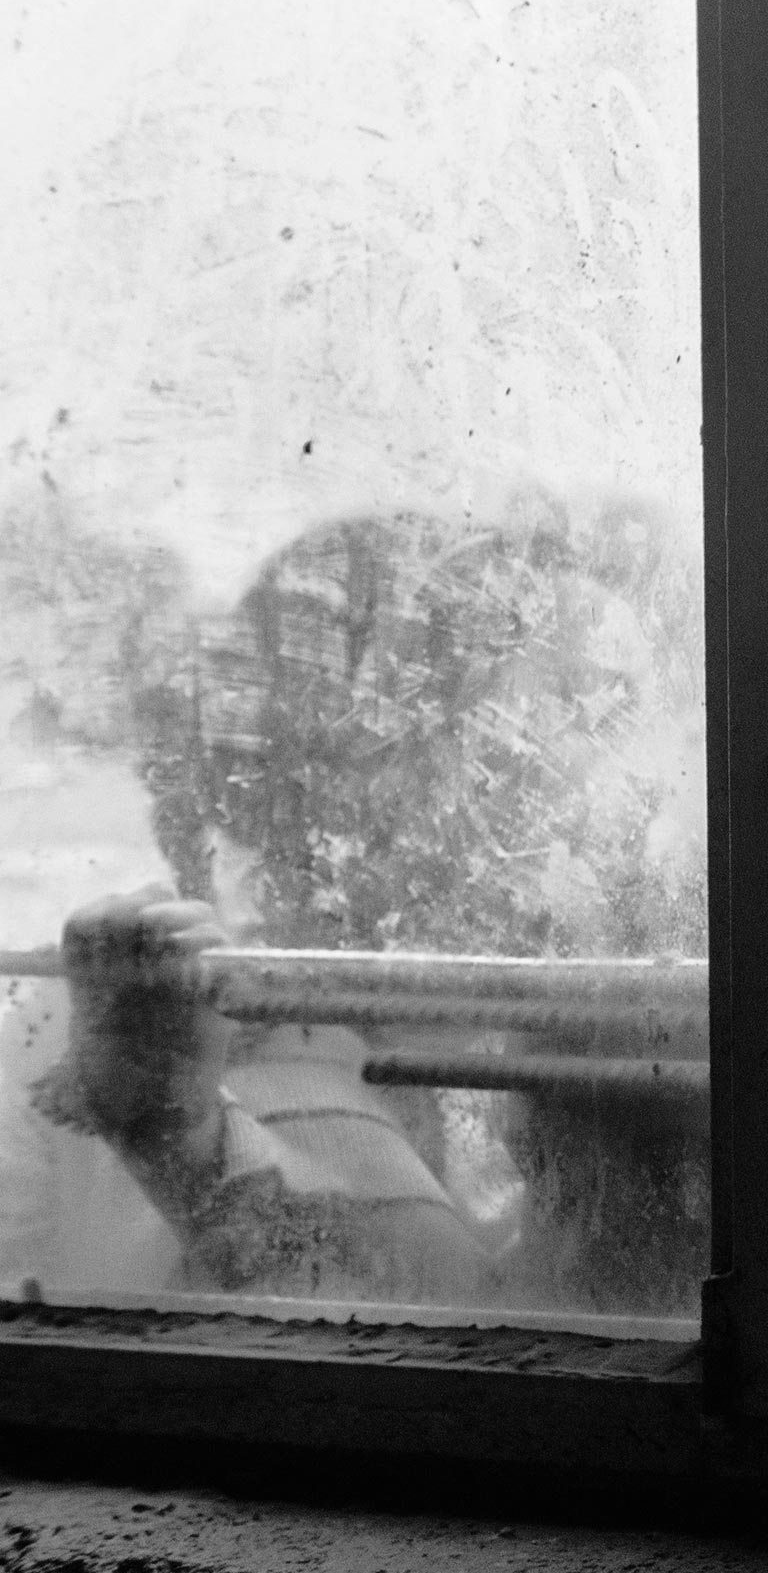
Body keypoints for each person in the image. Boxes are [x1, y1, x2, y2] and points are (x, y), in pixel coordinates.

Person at [8, 506, 706, 1310]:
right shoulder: (135, 1013)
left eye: (617, 711)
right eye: (575, 710)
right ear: (377, 770)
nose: (632, 778)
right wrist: (175, 1139)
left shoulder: (586, 1031)